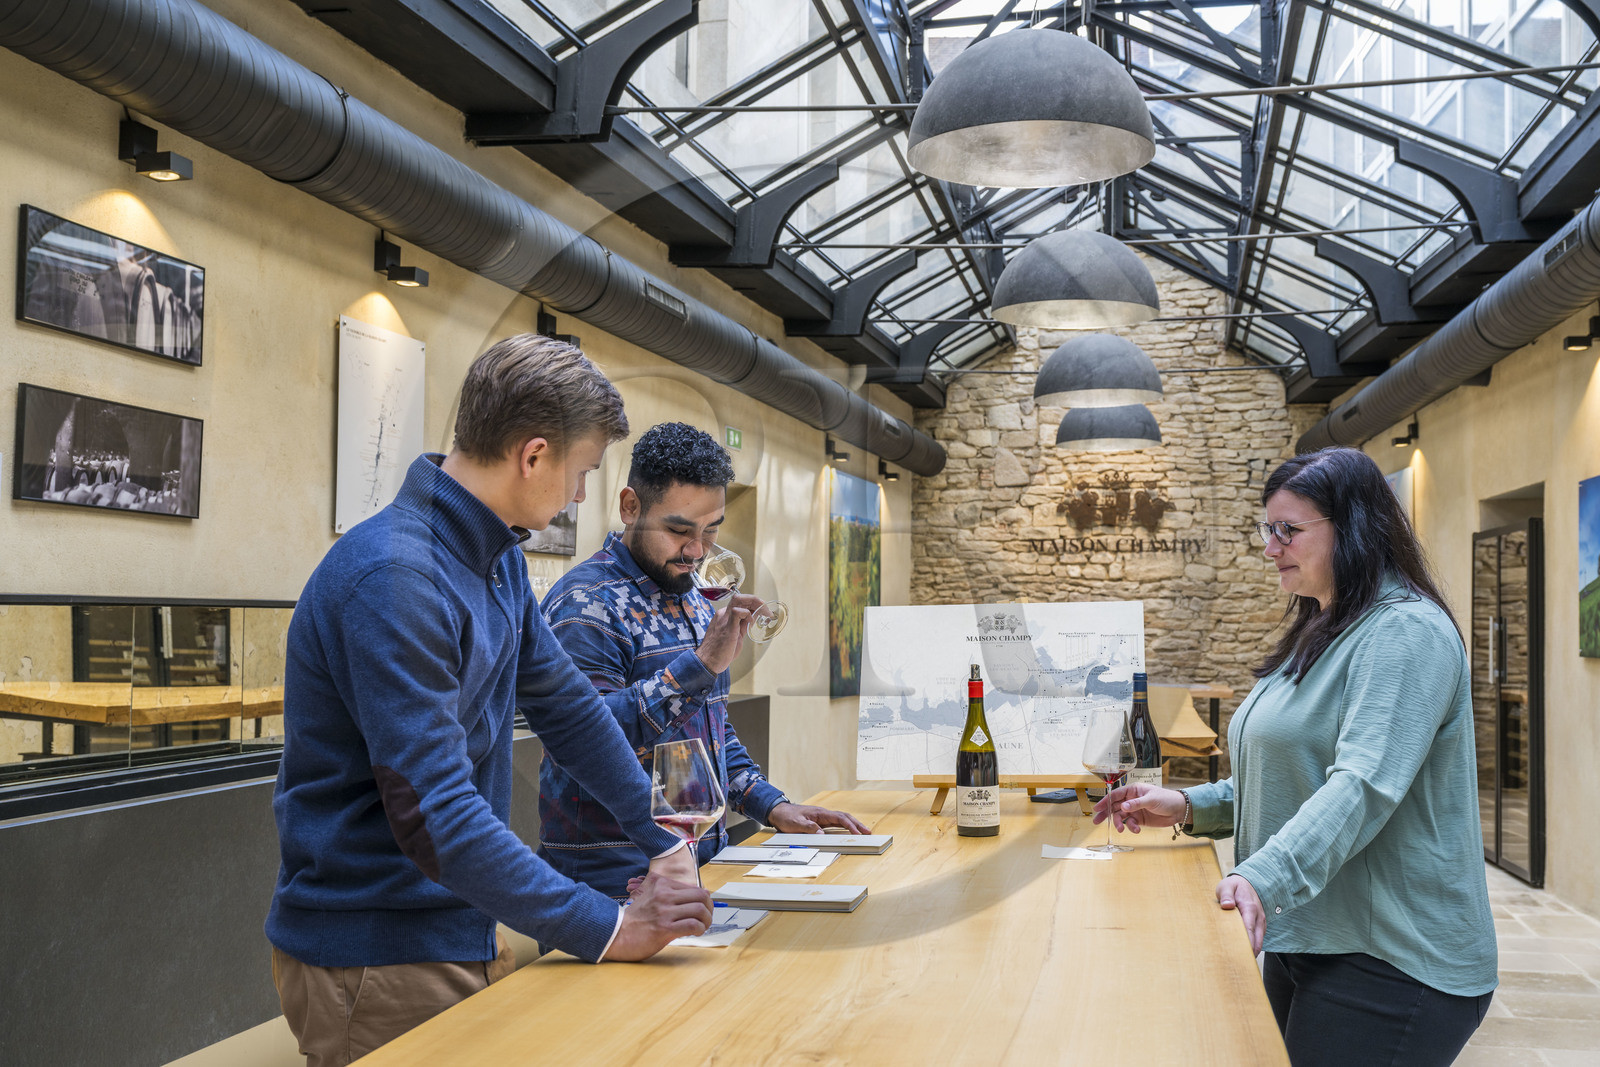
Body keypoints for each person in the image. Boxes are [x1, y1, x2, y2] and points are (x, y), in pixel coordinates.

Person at [266, 337, 712, 1067]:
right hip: (378, 950)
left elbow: (568, 707)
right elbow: (435, 815)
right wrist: (607, 925)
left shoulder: (495, 558)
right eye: (581, 472)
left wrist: (661, 835)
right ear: (533, 455)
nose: (577, 495)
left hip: (459, 926)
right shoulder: (395, 577)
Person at [1096, 447, 1495, 1066]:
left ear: (1356, 528)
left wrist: (1262, 876)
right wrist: (1184, 804)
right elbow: (1289, 772)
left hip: (1391, 957)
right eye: (1268, 529)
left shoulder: (1405, 634)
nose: (1269, 546)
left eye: (1288, 530)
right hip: (1309, 933)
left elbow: (1360, 787)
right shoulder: (1325, 624)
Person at [539, 422, 867, 899]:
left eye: (711, 531)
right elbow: (584, 741)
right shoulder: (586, 604)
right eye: (678, 531)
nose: (696, 551)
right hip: (614, 884)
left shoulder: (692, 596)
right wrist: (699, 666)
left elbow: (709, 729)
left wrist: (771, 806)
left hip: (700, 865)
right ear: (631, 507)